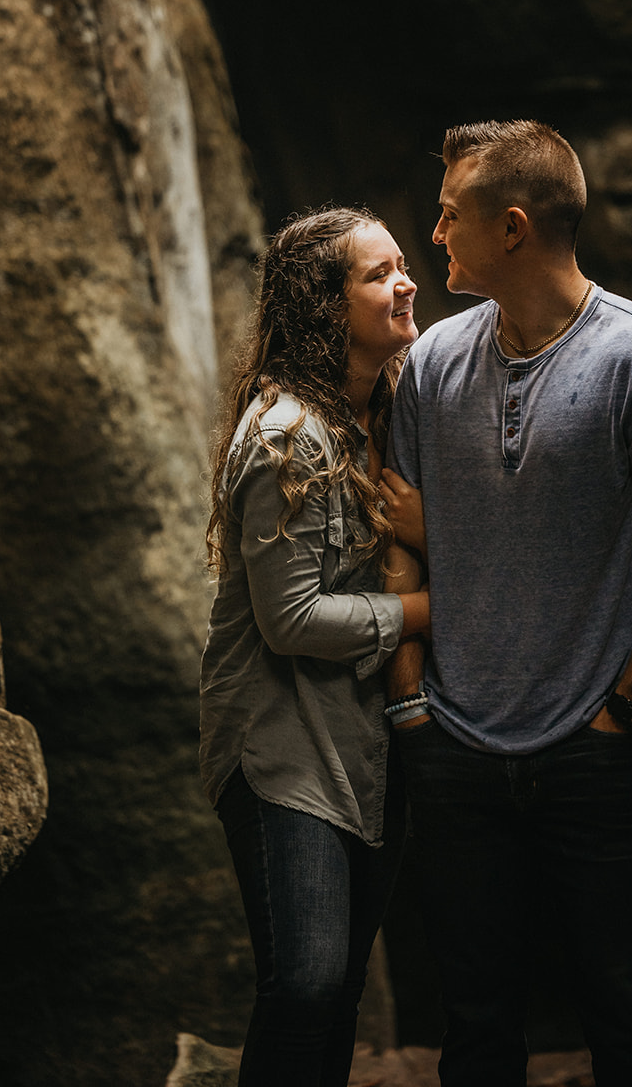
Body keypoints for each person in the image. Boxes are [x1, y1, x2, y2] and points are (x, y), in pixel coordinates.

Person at [380, 119, 632, 1087]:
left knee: (627, 1016)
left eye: (449, 216)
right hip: (453, 746)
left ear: (513, 227)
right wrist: (408, 701)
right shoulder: (431, 362)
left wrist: (626, 704)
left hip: (597, 752)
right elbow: (393, 536)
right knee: (473, 1026)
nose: (434, 235)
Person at [199, 206, 430, 1087]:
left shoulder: (395, 413)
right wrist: (426, 611)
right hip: (281, 747)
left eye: (402, 264)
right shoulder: (286, 436)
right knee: (303, 985)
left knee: (334, 994)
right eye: (378, 274)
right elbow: (290, 620)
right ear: (326, 307)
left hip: (368, 742)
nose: (405, 283)